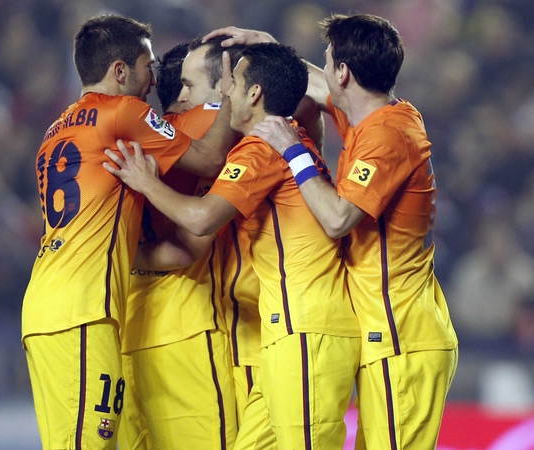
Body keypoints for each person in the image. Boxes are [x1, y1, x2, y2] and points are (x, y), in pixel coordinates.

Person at [207, 14, 459, 449]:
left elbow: (338, 218)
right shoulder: (372, 120)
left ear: (343, 72)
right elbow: (312, 84)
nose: (322, 69)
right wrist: (270, 48)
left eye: (327, 60)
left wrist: (293, 152)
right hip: (383, 331)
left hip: (400, 332)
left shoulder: (387, 136)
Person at [105, 43, 361, 450]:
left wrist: (146, 182)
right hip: (287, 329)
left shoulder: (262, 148)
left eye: (233, 83)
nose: (226, 93)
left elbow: (201, 219)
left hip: (305, 327)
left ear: (254, 93)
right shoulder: (284, 139)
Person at [21, 15, 235, 450]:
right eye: (147, 66)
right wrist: (231, 93)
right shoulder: (122, 112)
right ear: (120, 71)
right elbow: (211, 158)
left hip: (48, 307)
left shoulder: (53, 133)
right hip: (82, 312)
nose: (154, 80)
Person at [119, 41, 238, 450]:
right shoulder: (209, 122)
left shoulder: (122, 132)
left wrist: (121, 257)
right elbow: (190, 246)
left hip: (123, 328)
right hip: (185, 328)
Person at [177, 35, 275, 450]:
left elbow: (199, 225)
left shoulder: (263, 147)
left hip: (264, 342)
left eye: (188, 86)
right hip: (230, 340)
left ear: (226, 89)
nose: (181, 98)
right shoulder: (225, 153)